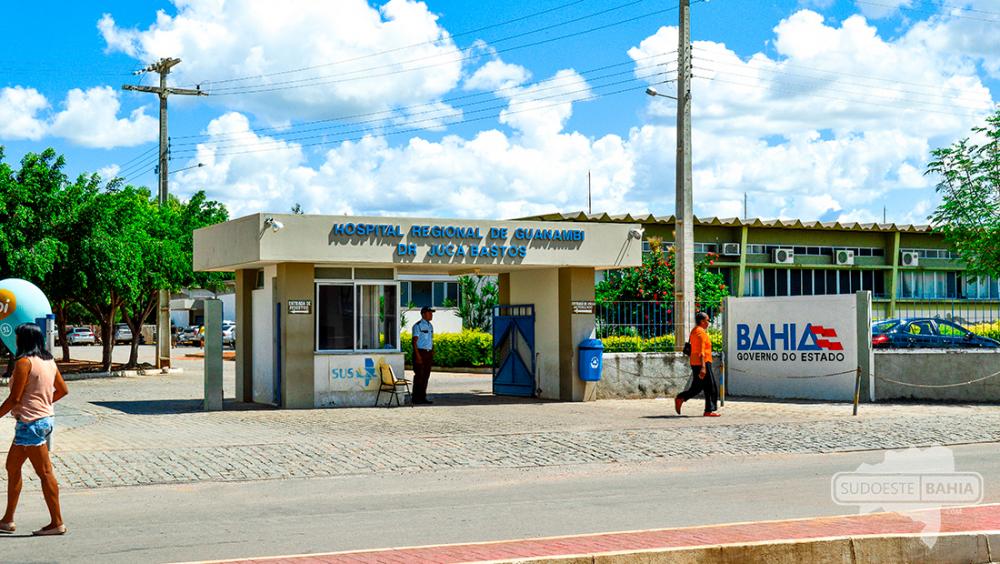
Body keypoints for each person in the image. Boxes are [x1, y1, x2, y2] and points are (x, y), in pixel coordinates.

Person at [0, 323, 69, 535]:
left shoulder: (24, 362)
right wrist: (44, 404)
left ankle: (57, 523)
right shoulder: (48, 361)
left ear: (24, 339)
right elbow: (62, 390)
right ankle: (7, 519)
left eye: (18, 337)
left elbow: (14, 398)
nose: (15, 340)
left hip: (31, 424)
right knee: (12, 467)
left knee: (45, 472)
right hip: (41, 421)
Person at [675, 312, 720, 417]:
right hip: (702, 363)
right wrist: (703, 367)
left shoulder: (695, 331)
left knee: (698, 387)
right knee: (711, 387)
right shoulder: (700, 333)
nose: (709, 322)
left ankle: (682, 398)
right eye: (707, 320)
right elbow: (701, 351)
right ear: (702, 321)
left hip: (696, 362)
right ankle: (708, 410)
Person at [411, 306, 435, 405]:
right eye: (429, 313)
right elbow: (414, 342)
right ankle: (415, 398)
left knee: (426, 376)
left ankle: (422, 397)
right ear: (423, 314)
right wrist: (418, 356)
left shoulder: (430, 326)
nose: (431, 315)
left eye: (431, 313)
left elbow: (430, 340)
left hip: (428, 353)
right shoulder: (418, 326)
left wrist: (432, 351)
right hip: (420, 352)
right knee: (419, 376)